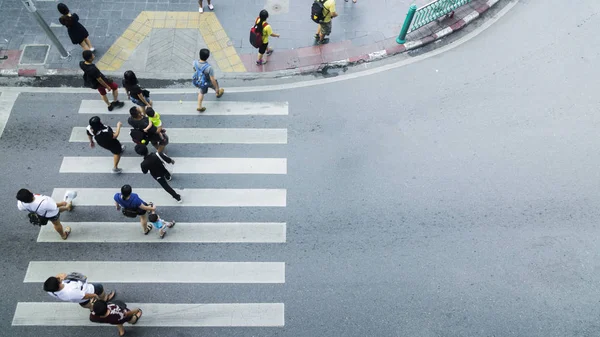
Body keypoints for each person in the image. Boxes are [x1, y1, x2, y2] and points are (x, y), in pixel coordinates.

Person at [43, 272, 116, 310]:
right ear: (58, 284)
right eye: (58, 279)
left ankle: (93, 309)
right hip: (88, 290)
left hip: (79, 299)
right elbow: (84, 295)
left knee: (86, 304)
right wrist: (95, 295)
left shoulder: (50, 290)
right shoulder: (70, 292)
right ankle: (105, 299)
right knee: (99, 287)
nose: (59, 277)